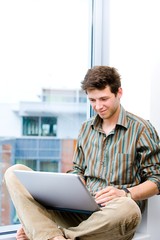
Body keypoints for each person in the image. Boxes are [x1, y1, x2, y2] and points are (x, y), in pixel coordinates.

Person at [4, 66, 160, 240]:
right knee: (14, 172)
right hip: (78, 211)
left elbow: (157, 180)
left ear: (119, 93)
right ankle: (52, 235)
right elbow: (77, 170)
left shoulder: (142, 129)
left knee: (128, 208)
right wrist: (75, 185)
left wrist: (125, 193)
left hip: (113, 216)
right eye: (92, 100)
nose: (98, 106)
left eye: (104, 99)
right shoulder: (86, 129)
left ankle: (49, 235)